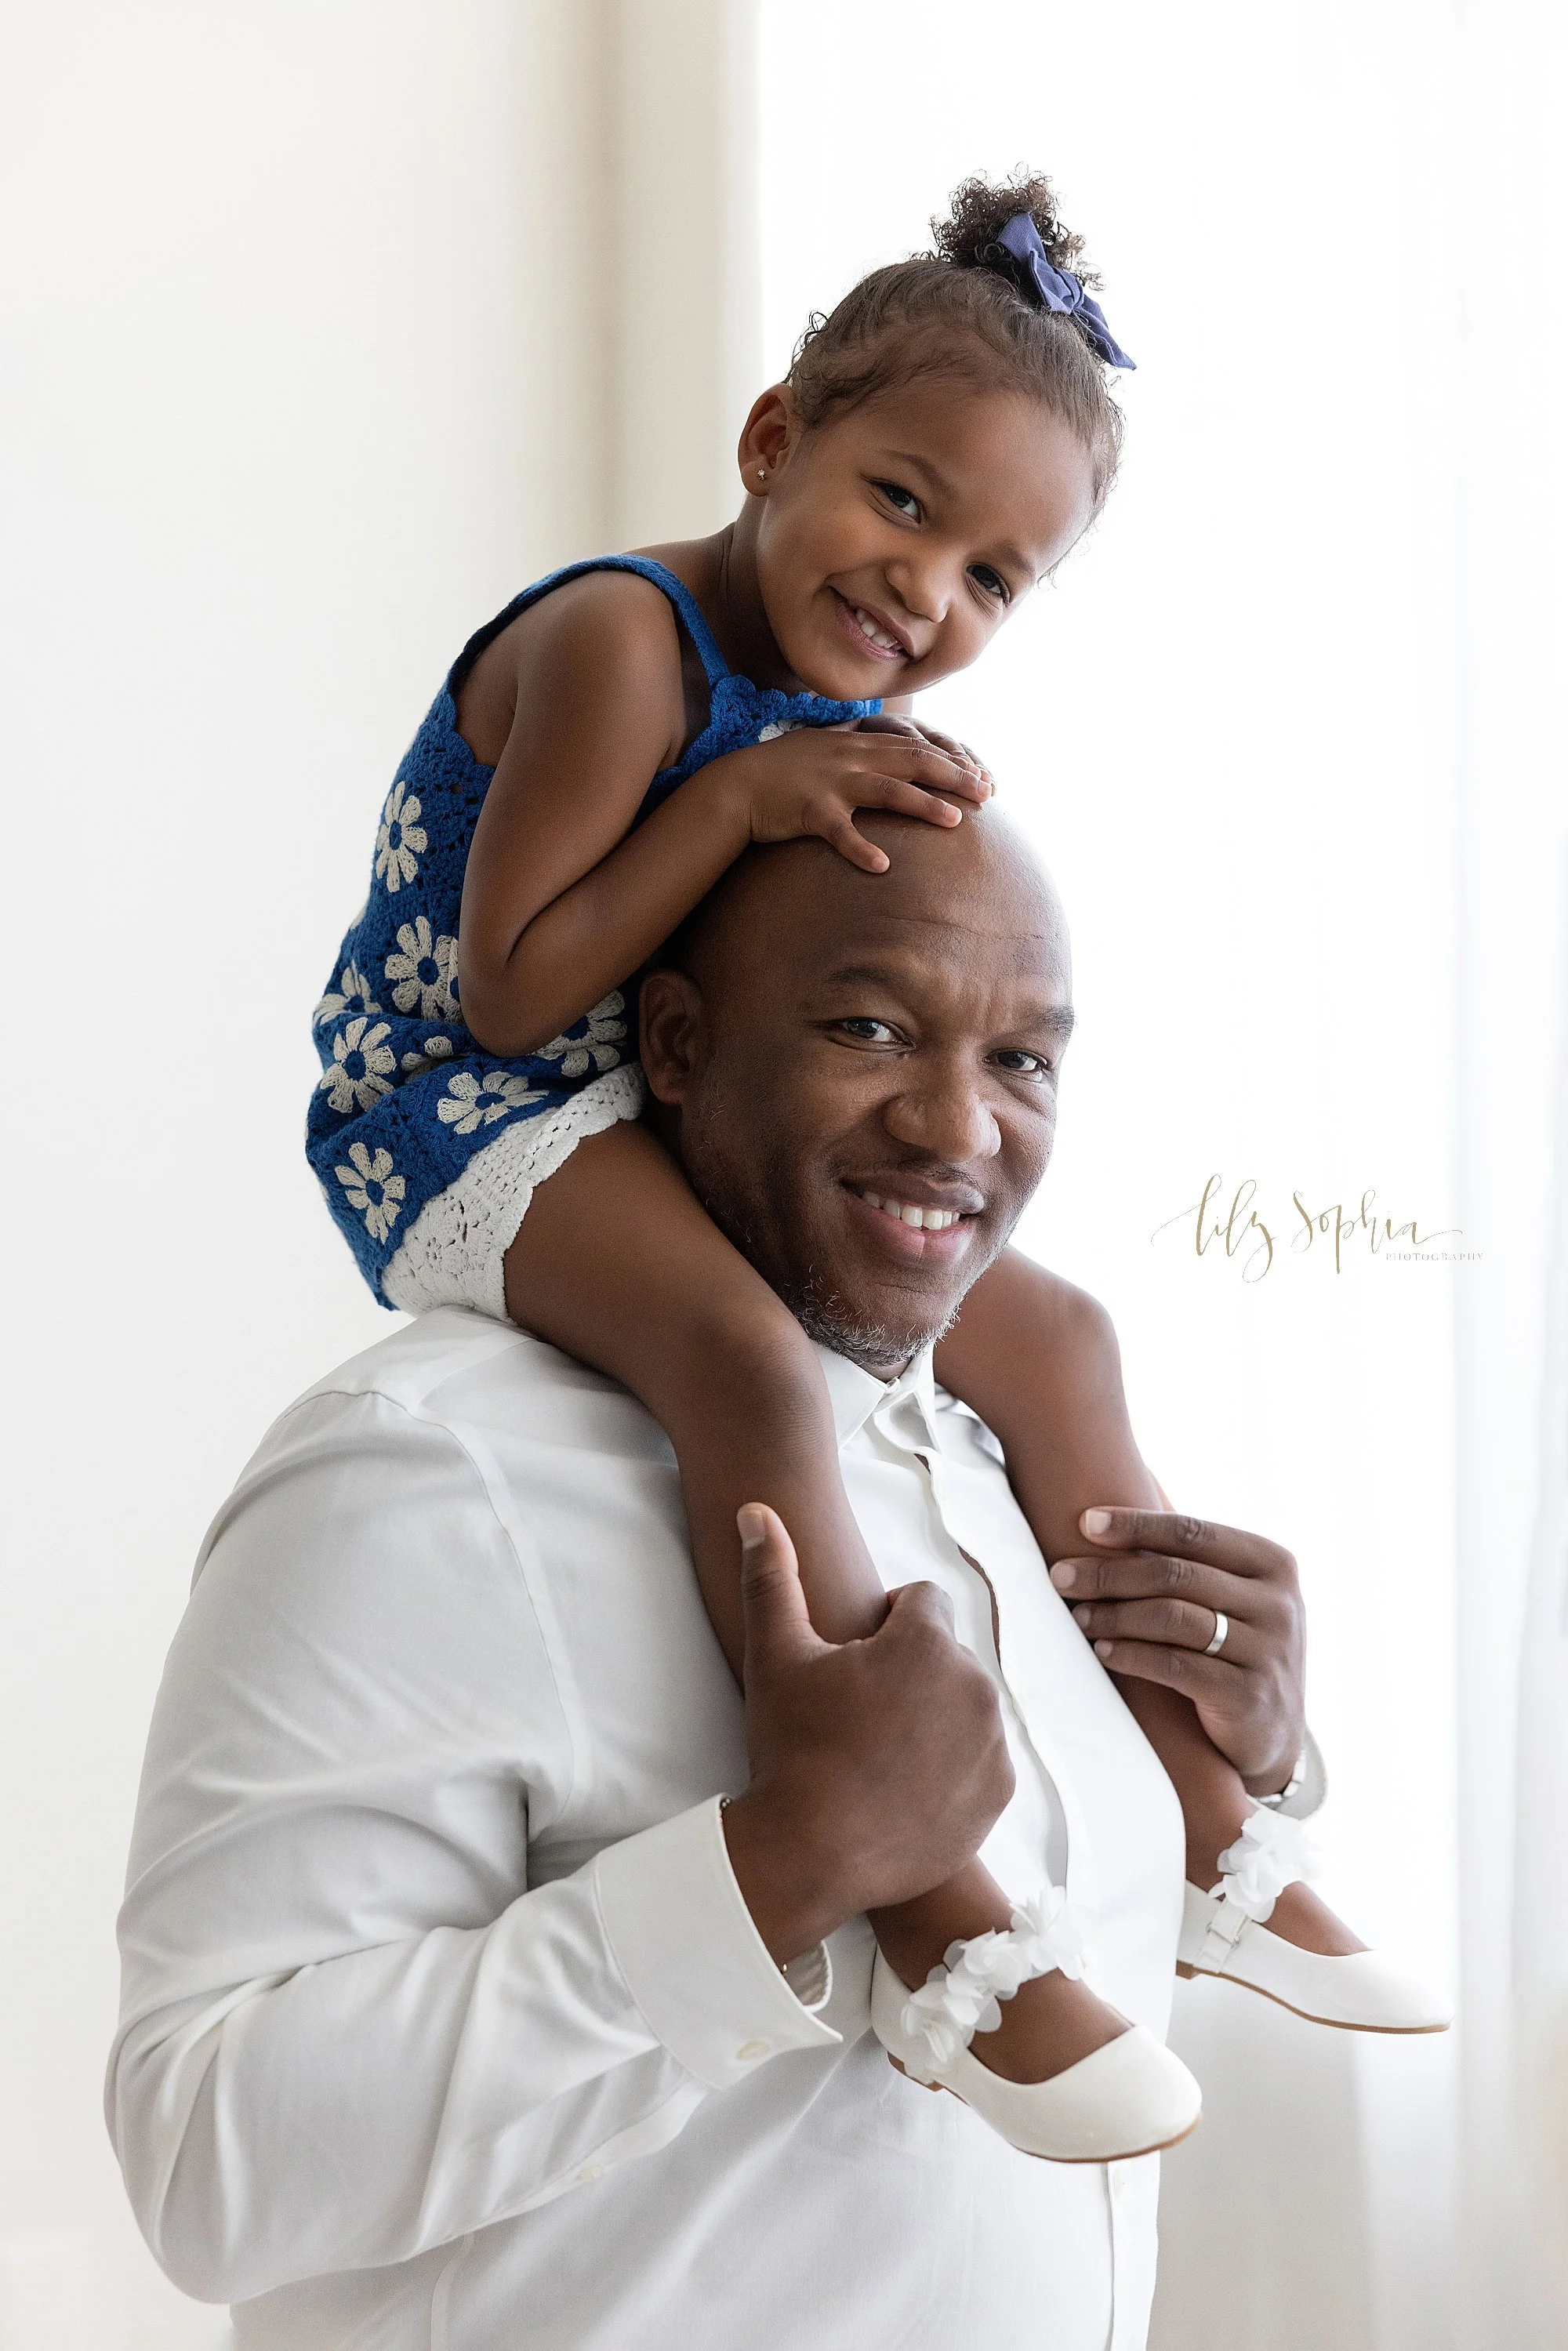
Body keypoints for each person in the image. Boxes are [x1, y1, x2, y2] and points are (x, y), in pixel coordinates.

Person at [305, 169, 1443, 2148]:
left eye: (995, 578)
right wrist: (746, 795)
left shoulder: (840, 698)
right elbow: (510, 987)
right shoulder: (622, 641)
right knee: (750, 1362)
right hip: (461, 1110)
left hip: (651, 1097)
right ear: (773, 442)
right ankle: (933, 1915)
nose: (927, 595)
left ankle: (1210, 1825)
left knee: (1061, 1334)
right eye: (904, 504)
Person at [115, 807, 1323, 2348]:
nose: (960, 1128)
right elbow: (206, 2162)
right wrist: (778, 1866)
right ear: (677, 1043)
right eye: (870, 1025)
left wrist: (1253, 1754)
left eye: (1024, 1059)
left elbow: (1053, 2018)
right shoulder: (424, 1463)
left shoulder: (993, 1456)